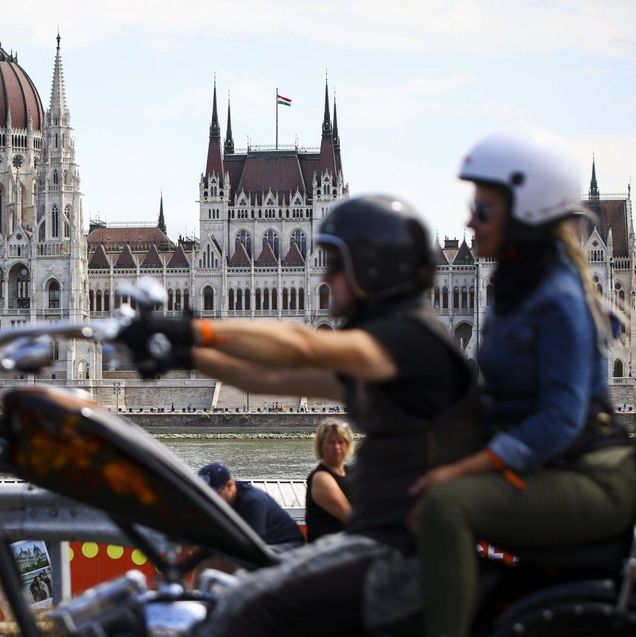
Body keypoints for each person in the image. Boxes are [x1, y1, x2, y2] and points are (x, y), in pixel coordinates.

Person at [120, 194, 485, 636]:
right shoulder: (388, 350)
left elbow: (301, 346)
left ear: (374, 270)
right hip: (380, 543)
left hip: (398, 558)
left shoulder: (408, 340)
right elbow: (275, 379)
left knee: (245, 607)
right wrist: (182, 355)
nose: (326, 276)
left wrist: (189, 329)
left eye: (337, 264)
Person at [411, 132, 636, 637]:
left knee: (448, 505)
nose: (469, 222)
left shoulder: (557, 298)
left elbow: (559, 418)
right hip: (552, 466)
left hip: (590, 476)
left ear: (525, 215)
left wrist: (467, 466)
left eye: (483, 210)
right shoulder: (517, 289)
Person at [198, 462, 305, 552]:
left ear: (230, 486)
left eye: (214, 494)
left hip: (288, 546)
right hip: (263, 543)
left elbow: (253, 546)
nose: (209, 499)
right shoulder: (226, 500)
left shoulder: (252, 501)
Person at [305, 418, 353, 542]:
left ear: (348, 445)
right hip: (330, 550)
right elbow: (350, 517)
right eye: (331, 442)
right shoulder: (321, 478)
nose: (336, 447)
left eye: (341, 442)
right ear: (321, 446)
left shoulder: (352, 471)